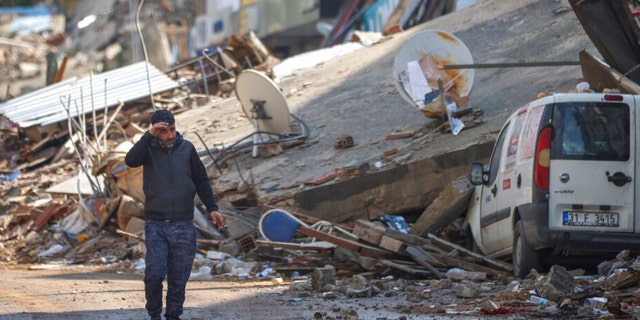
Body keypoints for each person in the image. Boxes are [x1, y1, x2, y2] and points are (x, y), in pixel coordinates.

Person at [125, 109, 225, 320]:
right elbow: (131, 160)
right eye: (164, 131)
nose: (170, 135)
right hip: (156, 224)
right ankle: (154, 315)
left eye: (172, 130)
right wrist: (149, 135)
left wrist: (213, 208)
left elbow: (201, 181)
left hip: (183, 224)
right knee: (155, 273)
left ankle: (173, 316)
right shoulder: (148, 149)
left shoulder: (187, 148)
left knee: (179, 278)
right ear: (154, 131)